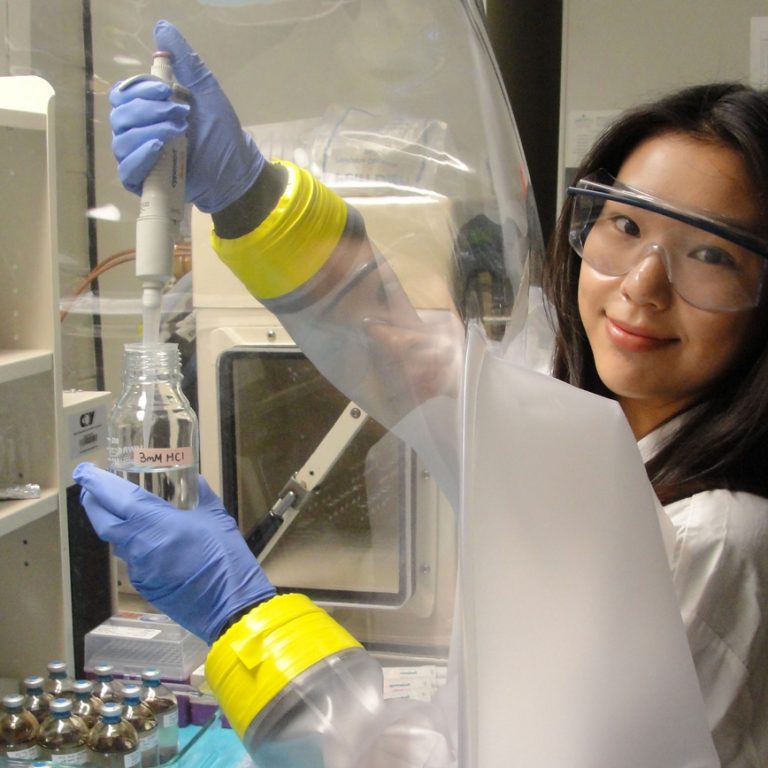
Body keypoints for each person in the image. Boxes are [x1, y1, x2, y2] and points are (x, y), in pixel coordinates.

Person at [75, 19, 768, 768]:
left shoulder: (713, 540)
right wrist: (246, 195)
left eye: (710, 254)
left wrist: (246, 624)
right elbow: (395, 350)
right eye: (624, 223)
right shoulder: (582, 425)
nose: (642, 285)